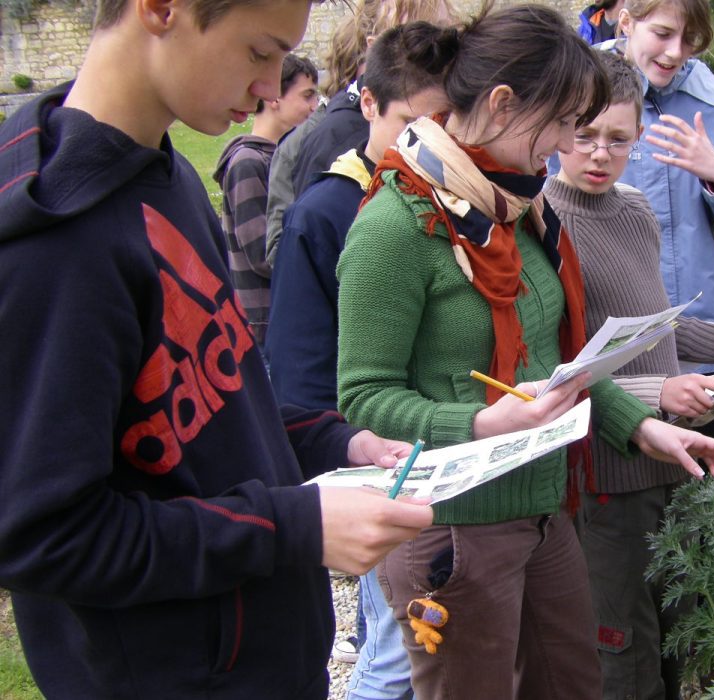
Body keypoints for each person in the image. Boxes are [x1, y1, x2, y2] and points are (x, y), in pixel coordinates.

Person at [0, 0, 434, 696]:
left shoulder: (160, 171)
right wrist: (291, 526)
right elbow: (46, 536)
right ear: (160, 10)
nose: (273, 86)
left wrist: (332, 442)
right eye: (260, 53)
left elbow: (210, 404)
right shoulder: (56, 248)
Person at [335, 6, 714, 698]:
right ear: (500, 105)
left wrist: (644, 428)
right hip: (453, 534)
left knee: (575, 684)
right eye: (560, 124)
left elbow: (560, 367)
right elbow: (363, 397)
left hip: (543, 512)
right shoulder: (395, 228)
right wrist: (479, 422)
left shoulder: (516, 210)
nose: (562, 145)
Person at [544, 50, 714, 700]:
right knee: (622, 648)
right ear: (556, 129)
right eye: (584, 134)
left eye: (618, 139)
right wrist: (656, 392)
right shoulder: (543, 224)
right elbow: (552, 370)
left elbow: (654, 327)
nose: (600, 152)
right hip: (603, 471)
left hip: (669, 457)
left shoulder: (632, 211)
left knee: (677, 627)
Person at [267, 25, 450, 700]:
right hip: (370, 453)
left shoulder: (445, 193)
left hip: (439, 447)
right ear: (367, 104)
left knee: (427, 635)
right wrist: (342, 458)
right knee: (396, 648)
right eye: (408, 124)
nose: (426, 142)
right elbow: (298, 364)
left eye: (441, 124)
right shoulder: (330, 209)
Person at [605, 0, 714, 438]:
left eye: (690, 40)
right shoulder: (588, 91)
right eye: (662, 34)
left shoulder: (713, 102)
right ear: (627, 23)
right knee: (630, 488)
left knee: (702, 481)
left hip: (704, 344)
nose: (675, 52)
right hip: (615, 348)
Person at [263, 0, 453, 267]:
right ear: (377, 48)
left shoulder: (450, 130)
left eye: (442, 38)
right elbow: (302, 253)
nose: (434, 55)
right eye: (414, 42)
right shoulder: (337, 140)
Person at [214, 52, 318, 347]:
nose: (314, 107)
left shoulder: (285, 158)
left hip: (288, 318)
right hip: (264, 326)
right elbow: (262, 254)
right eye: (307, 96)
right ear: (274, 98)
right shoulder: (248, 162)